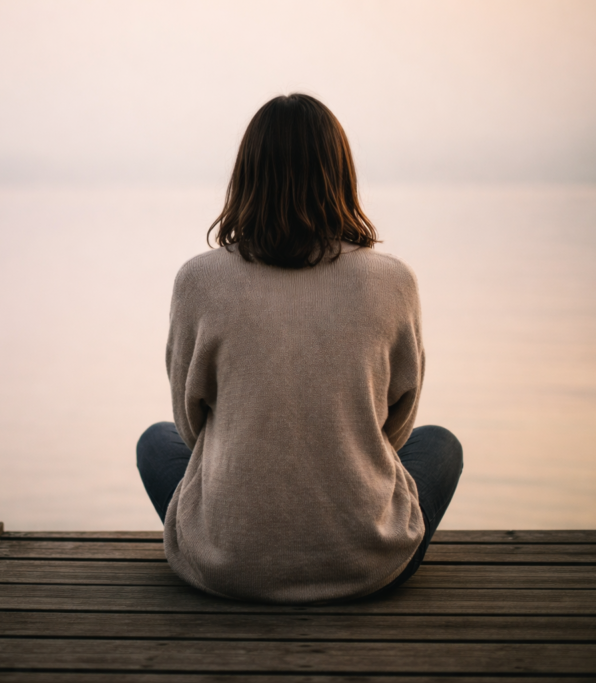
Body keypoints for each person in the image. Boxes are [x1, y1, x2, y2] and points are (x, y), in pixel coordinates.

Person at [136, 93, 463, 604]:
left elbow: (189, 421)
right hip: (367, 564)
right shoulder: (393, 281)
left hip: (228, 565)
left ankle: (237, 539)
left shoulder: (198, 280)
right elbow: (395, 426)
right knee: (440, 444)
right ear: (340, 175)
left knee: (156, 442)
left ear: (246, 175)